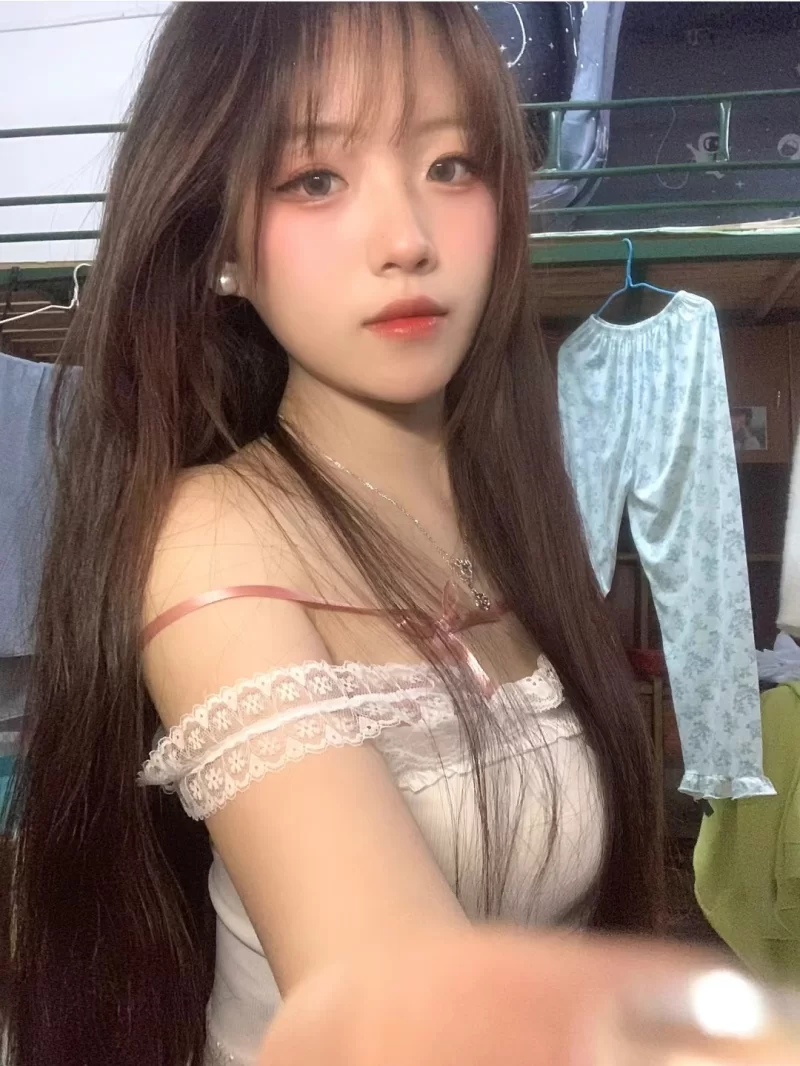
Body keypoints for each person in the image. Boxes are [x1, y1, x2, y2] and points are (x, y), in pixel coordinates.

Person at [3, 6, 798, 1066]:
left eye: (450, 165)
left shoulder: (507, 519)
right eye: (315, 179)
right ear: (222, 245)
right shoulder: (215, 540)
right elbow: (409, 1017)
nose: (407, 239)